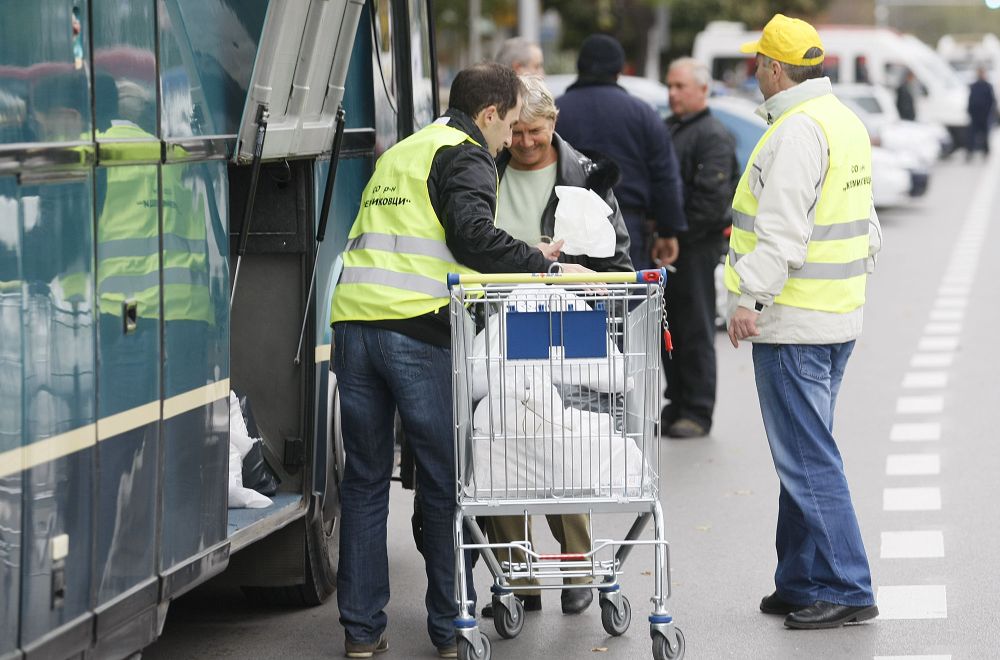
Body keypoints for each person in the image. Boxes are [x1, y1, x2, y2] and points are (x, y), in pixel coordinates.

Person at [328, 62, 588, 659]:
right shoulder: (464, 151)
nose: (508, 139)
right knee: (446, 484)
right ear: (490, 113)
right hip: (414, 332)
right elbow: (470, 234)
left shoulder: (406, 151)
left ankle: (362, 633)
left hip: (354, 326)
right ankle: (451, 630)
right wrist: (542, 265)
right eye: (509, 125)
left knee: (366, 483)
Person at [726, 14, 882, 629]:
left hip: (794, 324)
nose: (755, 73)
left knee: (808, 459)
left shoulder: (795, 132)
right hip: (835, 317)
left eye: (756, 64)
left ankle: (847, 585)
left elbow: (783, 234)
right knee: (804, 452)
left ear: (773, 68)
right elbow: (867, 227)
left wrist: (750, 301)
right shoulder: (843, 121)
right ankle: (797, 581)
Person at [480, 74, 632, 619]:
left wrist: (576, 272)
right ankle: (516, 573)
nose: (524, 143)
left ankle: (574, 565)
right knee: (495, 439)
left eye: (535, 132)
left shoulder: (587, 178)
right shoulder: (483, 172)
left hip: (568, 326)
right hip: (495, 321)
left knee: (562, 442)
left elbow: (619, 263)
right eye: (516, 132)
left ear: (554, 125)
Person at [555, 34, 687, 271]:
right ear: (619, 70)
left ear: (580, 67)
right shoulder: (643, 113)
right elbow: (664, 175)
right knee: (627, 301)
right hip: (628, 225)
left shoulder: (555, 112)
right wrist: (668, 231)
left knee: (570, 303)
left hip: (565, 226)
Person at [660, 58, 739, 439]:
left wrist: (675, 234)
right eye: (670, 86)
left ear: (703, 89)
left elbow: (710, 201)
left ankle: (698, 410)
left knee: (694, 330)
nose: (672, 93)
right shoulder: (670, 129)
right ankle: (677, 402)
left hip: (694, 248)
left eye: (680, 86)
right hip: (667, 248)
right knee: (668, 329)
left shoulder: (712, 135)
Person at [966, 67, 996, 160]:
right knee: (972, 134)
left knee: (985, 135)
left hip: (985, 115)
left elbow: (992, 101)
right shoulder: (974, 86)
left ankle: (985, 152)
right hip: (975, 114)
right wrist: (969, 111)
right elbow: (970, 100)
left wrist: (990, 112)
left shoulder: (988, 86)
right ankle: (970, 152)